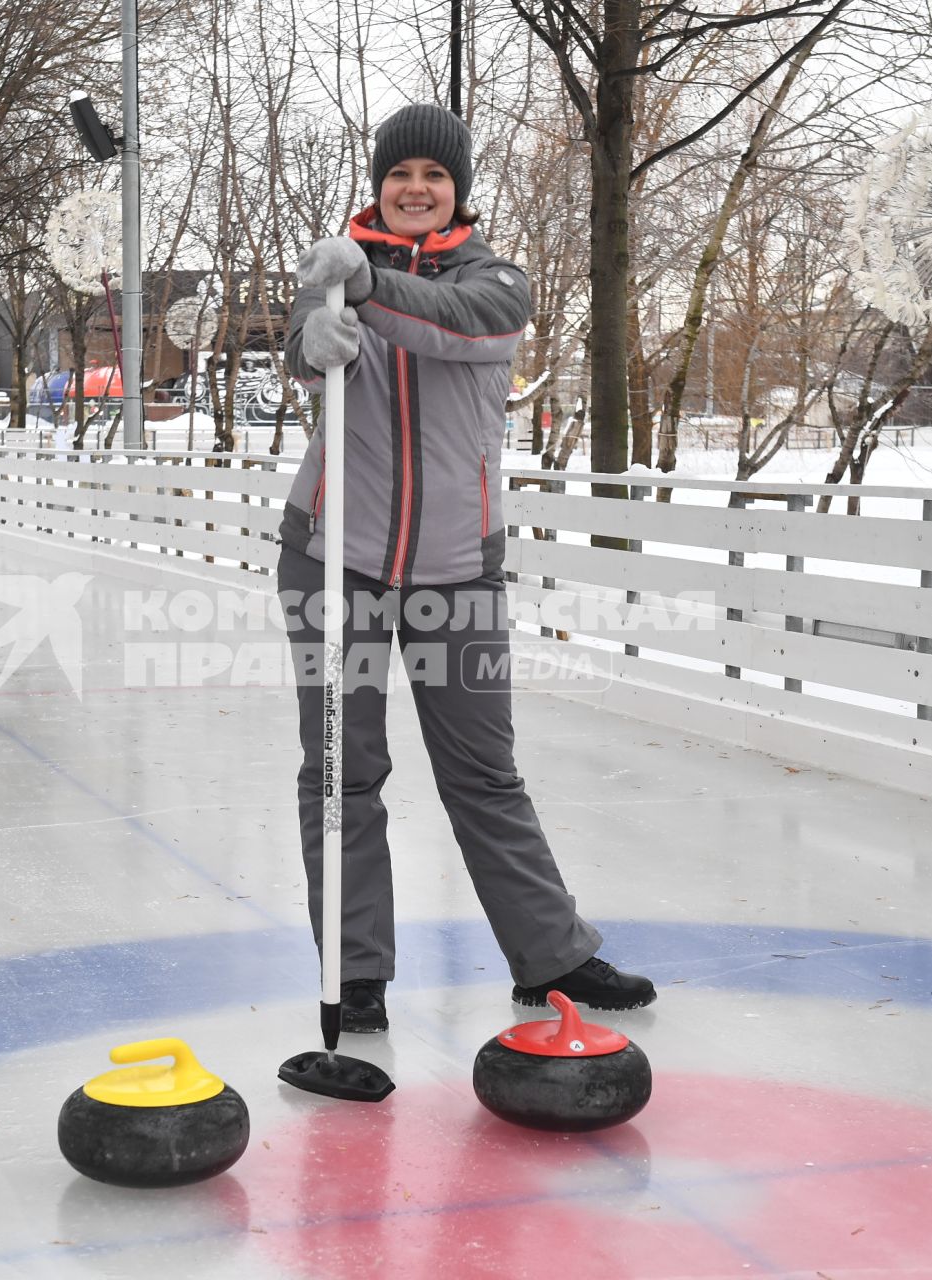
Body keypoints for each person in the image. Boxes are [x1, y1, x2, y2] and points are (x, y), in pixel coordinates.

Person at [279, 104, 655, 1034]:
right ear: (379, 184)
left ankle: (551, 957)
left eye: (434, 176)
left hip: (456, 569)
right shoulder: (334, 276)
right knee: (341, 770)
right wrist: (306, 337)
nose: (415, 188)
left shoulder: (496, 281)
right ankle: (354, 971)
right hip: (336, 559)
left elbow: (462, 330)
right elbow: (302, 355)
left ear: (457, 192)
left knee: (484, 772)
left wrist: (367, 290)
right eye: (399, 173)